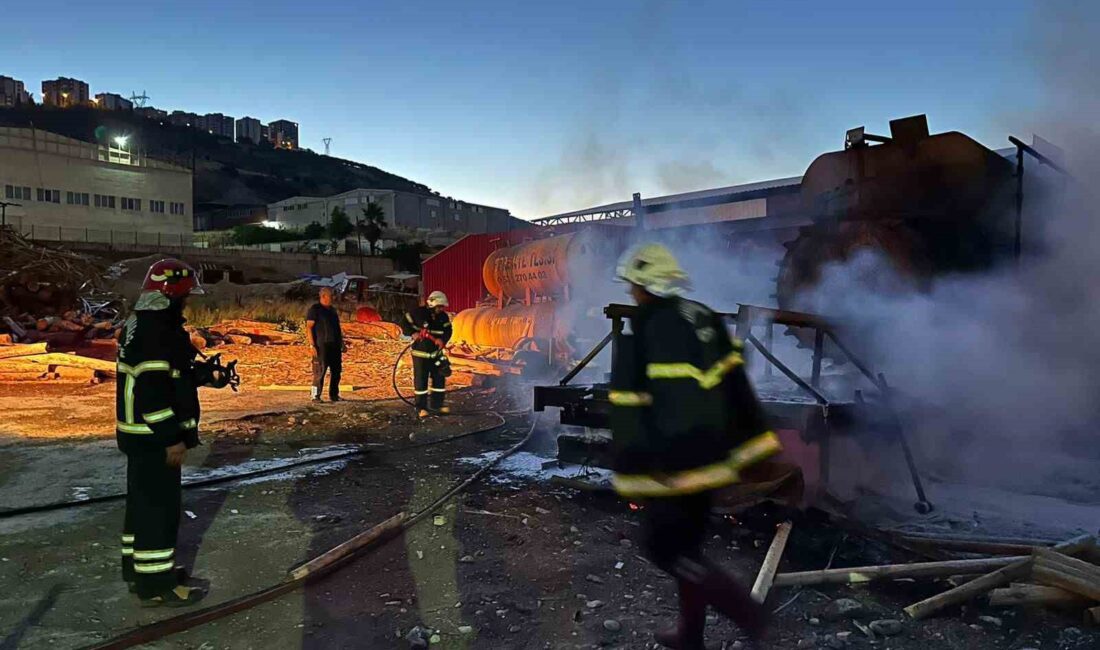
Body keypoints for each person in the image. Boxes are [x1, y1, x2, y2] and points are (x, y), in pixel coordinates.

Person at [609, 243, 782, 649]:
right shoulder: (702, 316)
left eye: (634, 285)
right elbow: (736, 387)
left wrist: (637, 458)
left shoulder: (654, 326)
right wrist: (757, 449)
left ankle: (750, 616)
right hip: (710, 458)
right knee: (689, 546)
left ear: (647, 285)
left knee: (666, 550)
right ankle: (691, 633)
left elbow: (650, 401)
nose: (631, 293)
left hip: (678, 465)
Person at [116, 259, 207, 607]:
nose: (188, 302)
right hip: (153, 437)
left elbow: (171, 374)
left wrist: (206, 376)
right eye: (185, 296)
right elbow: (152, 392)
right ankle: (157, 585)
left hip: (137, 435)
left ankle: (139, 572)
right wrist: (171, 437)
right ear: (171, 295)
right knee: (159, 510)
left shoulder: (142, 323)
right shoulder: (158, 332)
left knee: (141, 506)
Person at [404, 290, 452, 418]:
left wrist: (443, 340)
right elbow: (404, 321)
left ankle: (437, 405)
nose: (441, 309)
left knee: (439, 379)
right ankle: (421, 408)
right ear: (432, 304)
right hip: (421, 354)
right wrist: (412, 333)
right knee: (421, 381)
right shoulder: (418, 313)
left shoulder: (443, 317)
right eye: (439, 306)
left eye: (442, 307)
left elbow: (448, 330)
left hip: (436, 354)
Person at [306, 287, 345, 402]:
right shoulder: (315, 309)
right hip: (321, 345)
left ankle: (334, 395)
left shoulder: (332, 310)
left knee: (336, 371)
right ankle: (315, 395)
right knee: (320, 371)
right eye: (331, 296)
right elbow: (309, 327)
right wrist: (312, 345)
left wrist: (342, 342)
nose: (333, 298)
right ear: (323, 296)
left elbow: (337, 328)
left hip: (334, 345)